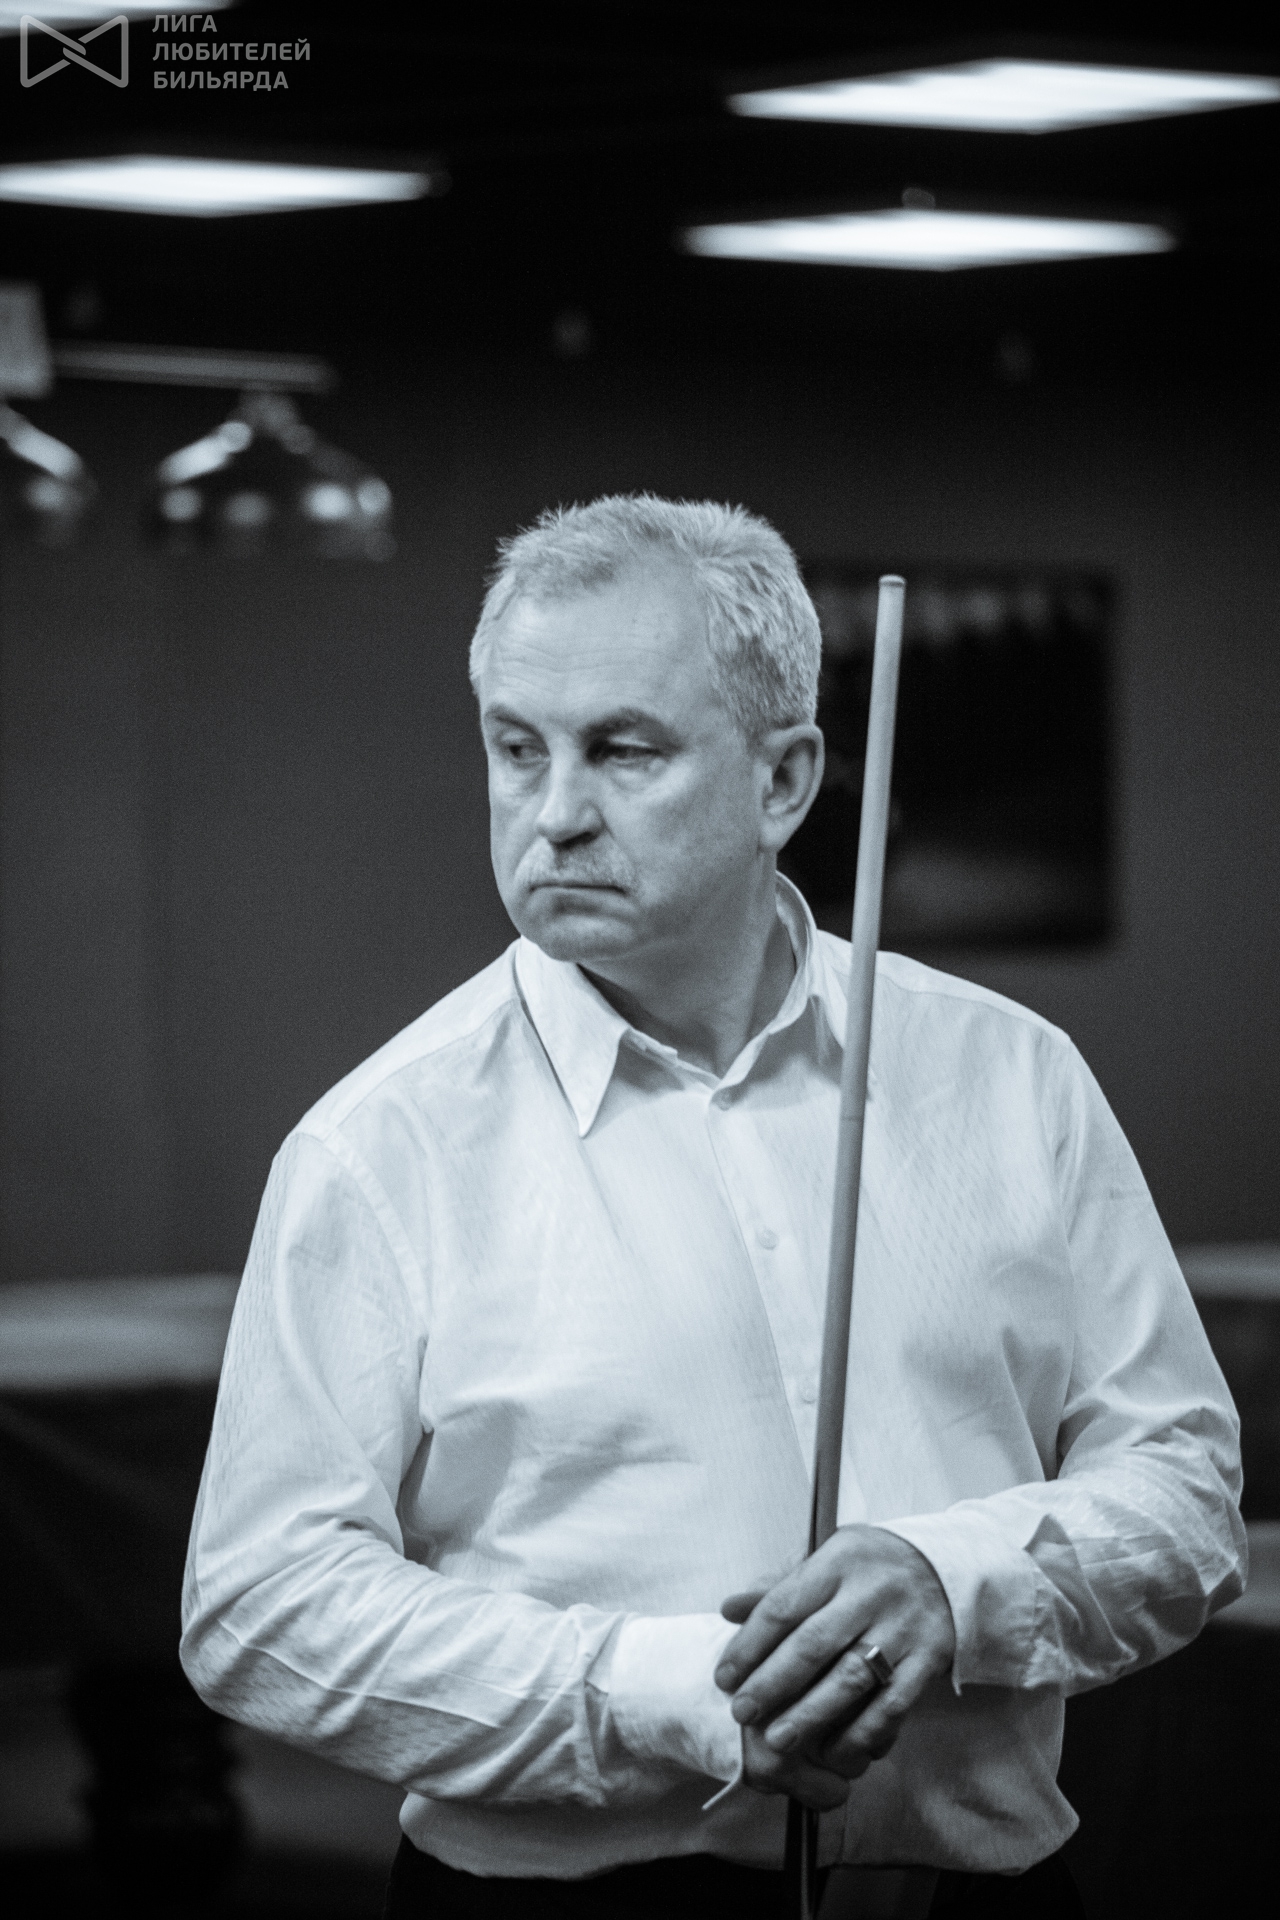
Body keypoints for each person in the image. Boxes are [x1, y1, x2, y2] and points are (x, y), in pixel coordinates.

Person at [181, 495, 1245, 1920]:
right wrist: (669, 1694)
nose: (556, 812)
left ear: (784, 781)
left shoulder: (1014, 1075)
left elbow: (1185, 1490)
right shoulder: (379, 1145)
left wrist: (956, 1583)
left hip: (984, 1899)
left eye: (625, 750)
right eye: (517, 747)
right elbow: (259, 1604)